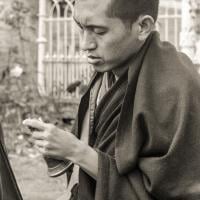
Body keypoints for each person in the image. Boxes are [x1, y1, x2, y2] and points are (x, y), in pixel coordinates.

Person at [23, 0, 200, 199]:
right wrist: (58, 144)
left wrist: (75, 150)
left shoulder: (174, 88)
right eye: (81, 28)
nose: (84, 45)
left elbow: (171, 192)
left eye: (98, 32)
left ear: (142, 27)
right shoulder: (111, 68)